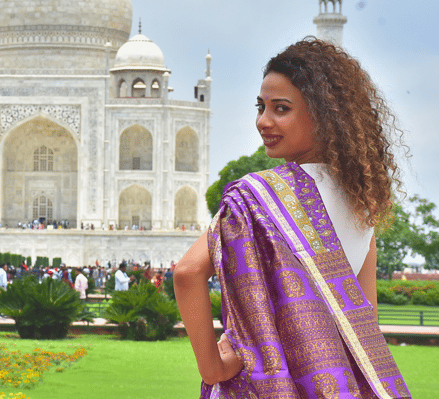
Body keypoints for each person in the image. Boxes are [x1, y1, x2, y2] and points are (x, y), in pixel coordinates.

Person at [174, 38, 410, 397]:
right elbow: (364, 323)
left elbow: (188, 273)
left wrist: (213, 367)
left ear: (325, 115)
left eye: (280, 109)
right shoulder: (361, 203)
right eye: (261, 106)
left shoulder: (255, 195)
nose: (262, 121)